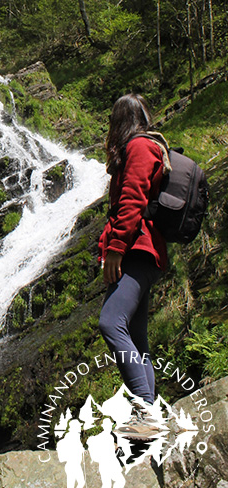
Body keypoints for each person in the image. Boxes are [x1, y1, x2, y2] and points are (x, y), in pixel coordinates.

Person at [98, 93, 169, 439]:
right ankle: (149, 414)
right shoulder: (146, 147)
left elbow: (132, 200)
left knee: (111, 322)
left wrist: (114, 249)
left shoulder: (140, 148)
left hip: (136, 250)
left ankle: (146, 413)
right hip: (139, 250)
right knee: (137, 341)